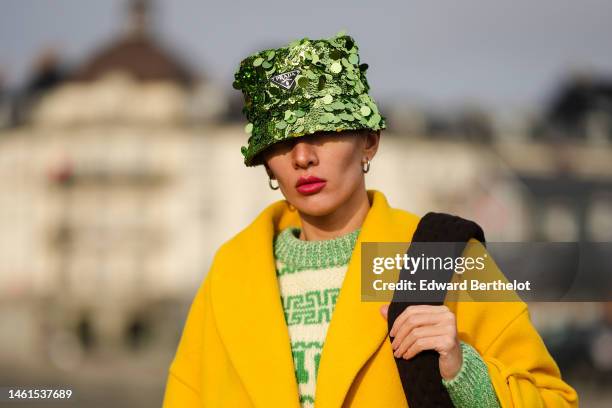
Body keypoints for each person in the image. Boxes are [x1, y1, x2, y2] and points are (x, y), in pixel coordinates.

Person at [162, 31, 579, 407]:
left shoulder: (438, 255)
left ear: (370, 143)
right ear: (267, 165)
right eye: (282, 141)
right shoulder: (230, 272)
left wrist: (461, 370)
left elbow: (554, 401)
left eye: (323, 132)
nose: (302, 156)